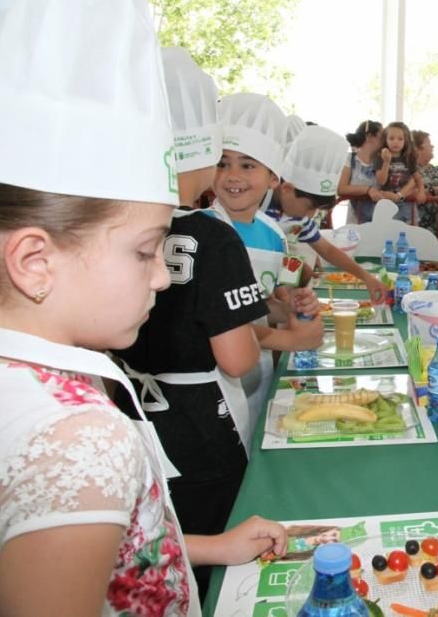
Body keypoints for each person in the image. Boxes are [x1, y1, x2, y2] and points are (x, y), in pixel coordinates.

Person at [0, 0, 286, 614]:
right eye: (143, 250)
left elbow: (116, 552)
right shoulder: (79, 436)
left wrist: (210, 546)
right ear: (35, 260)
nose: (163, 273)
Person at [111, 48, 268, 602]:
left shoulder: (112, 221)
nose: (226, 172)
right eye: (221, 158)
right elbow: (238, 359)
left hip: (132, 417)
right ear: (199, 156)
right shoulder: (213, 236)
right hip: (203, 427)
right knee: (211, 559)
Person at [211, 93, 324, 440]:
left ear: (274, 177)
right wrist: (291, 338)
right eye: (222, 163)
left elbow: (261, 303)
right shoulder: (203, 230)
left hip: (259, 371)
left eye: (248, 165)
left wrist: (289, 304)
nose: (233, 176)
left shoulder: (273, 234)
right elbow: (213, 321)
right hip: (215, 379)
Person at [266, 125, 388, 304]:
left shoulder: (298, 215)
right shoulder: (257, 210)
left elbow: (327, 249)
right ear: (286, 189)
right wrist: (284, 293)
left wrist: (366, 277)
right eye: (309, 207)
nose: (311, 214)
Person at [338, 119, 384, 223]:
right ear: (370, 136)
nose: (385, 140)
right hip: (354, 223)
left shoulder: (382, 161)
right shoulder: (349, 159)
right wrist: (368, 190)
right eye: (382, 136)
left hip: (379, 222)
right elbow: (341, 188)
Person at [372, 121, 419, 222]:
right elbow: (381, 181)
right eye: (391, 138)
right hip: (386, 204)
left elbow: (415, 179)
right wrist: (386, 162)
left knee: (411, 233)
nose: (396, 142)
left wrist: (399, 195)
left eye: (400, 139)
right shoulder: (380, 157)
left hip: (406, 203)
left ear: (405, 141)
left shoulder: (409, 158)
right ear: (386, 139)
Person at [413, 129, 438, 253]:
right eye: (428, 142)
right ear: (417, 148)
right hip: (422, 225)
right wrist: (436, 190)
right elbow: (413, 191)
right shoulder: (411, 169)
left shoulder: (432, 169)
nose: (432, 145)